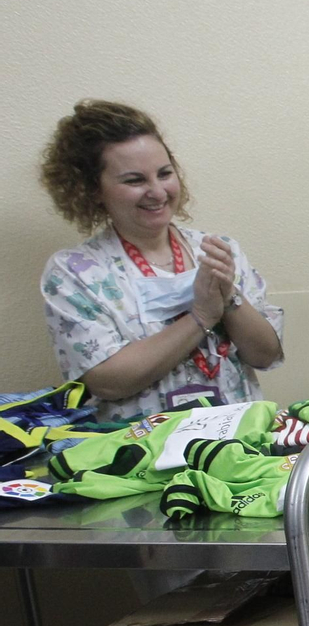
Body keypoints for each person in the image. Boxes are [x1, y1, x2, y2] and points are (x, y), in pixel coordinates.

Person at [39, 100, 284, 422]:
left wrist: (229, 298)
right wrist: (200, 317)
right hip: (142, 461)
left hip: (241, 445)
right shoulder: (74, 273)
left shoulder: (218, 250)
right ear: (92, 190)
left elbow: (266, 355)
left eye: (165, 174)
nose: (157, 191)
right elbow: (109, 382)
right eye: (134, 180)